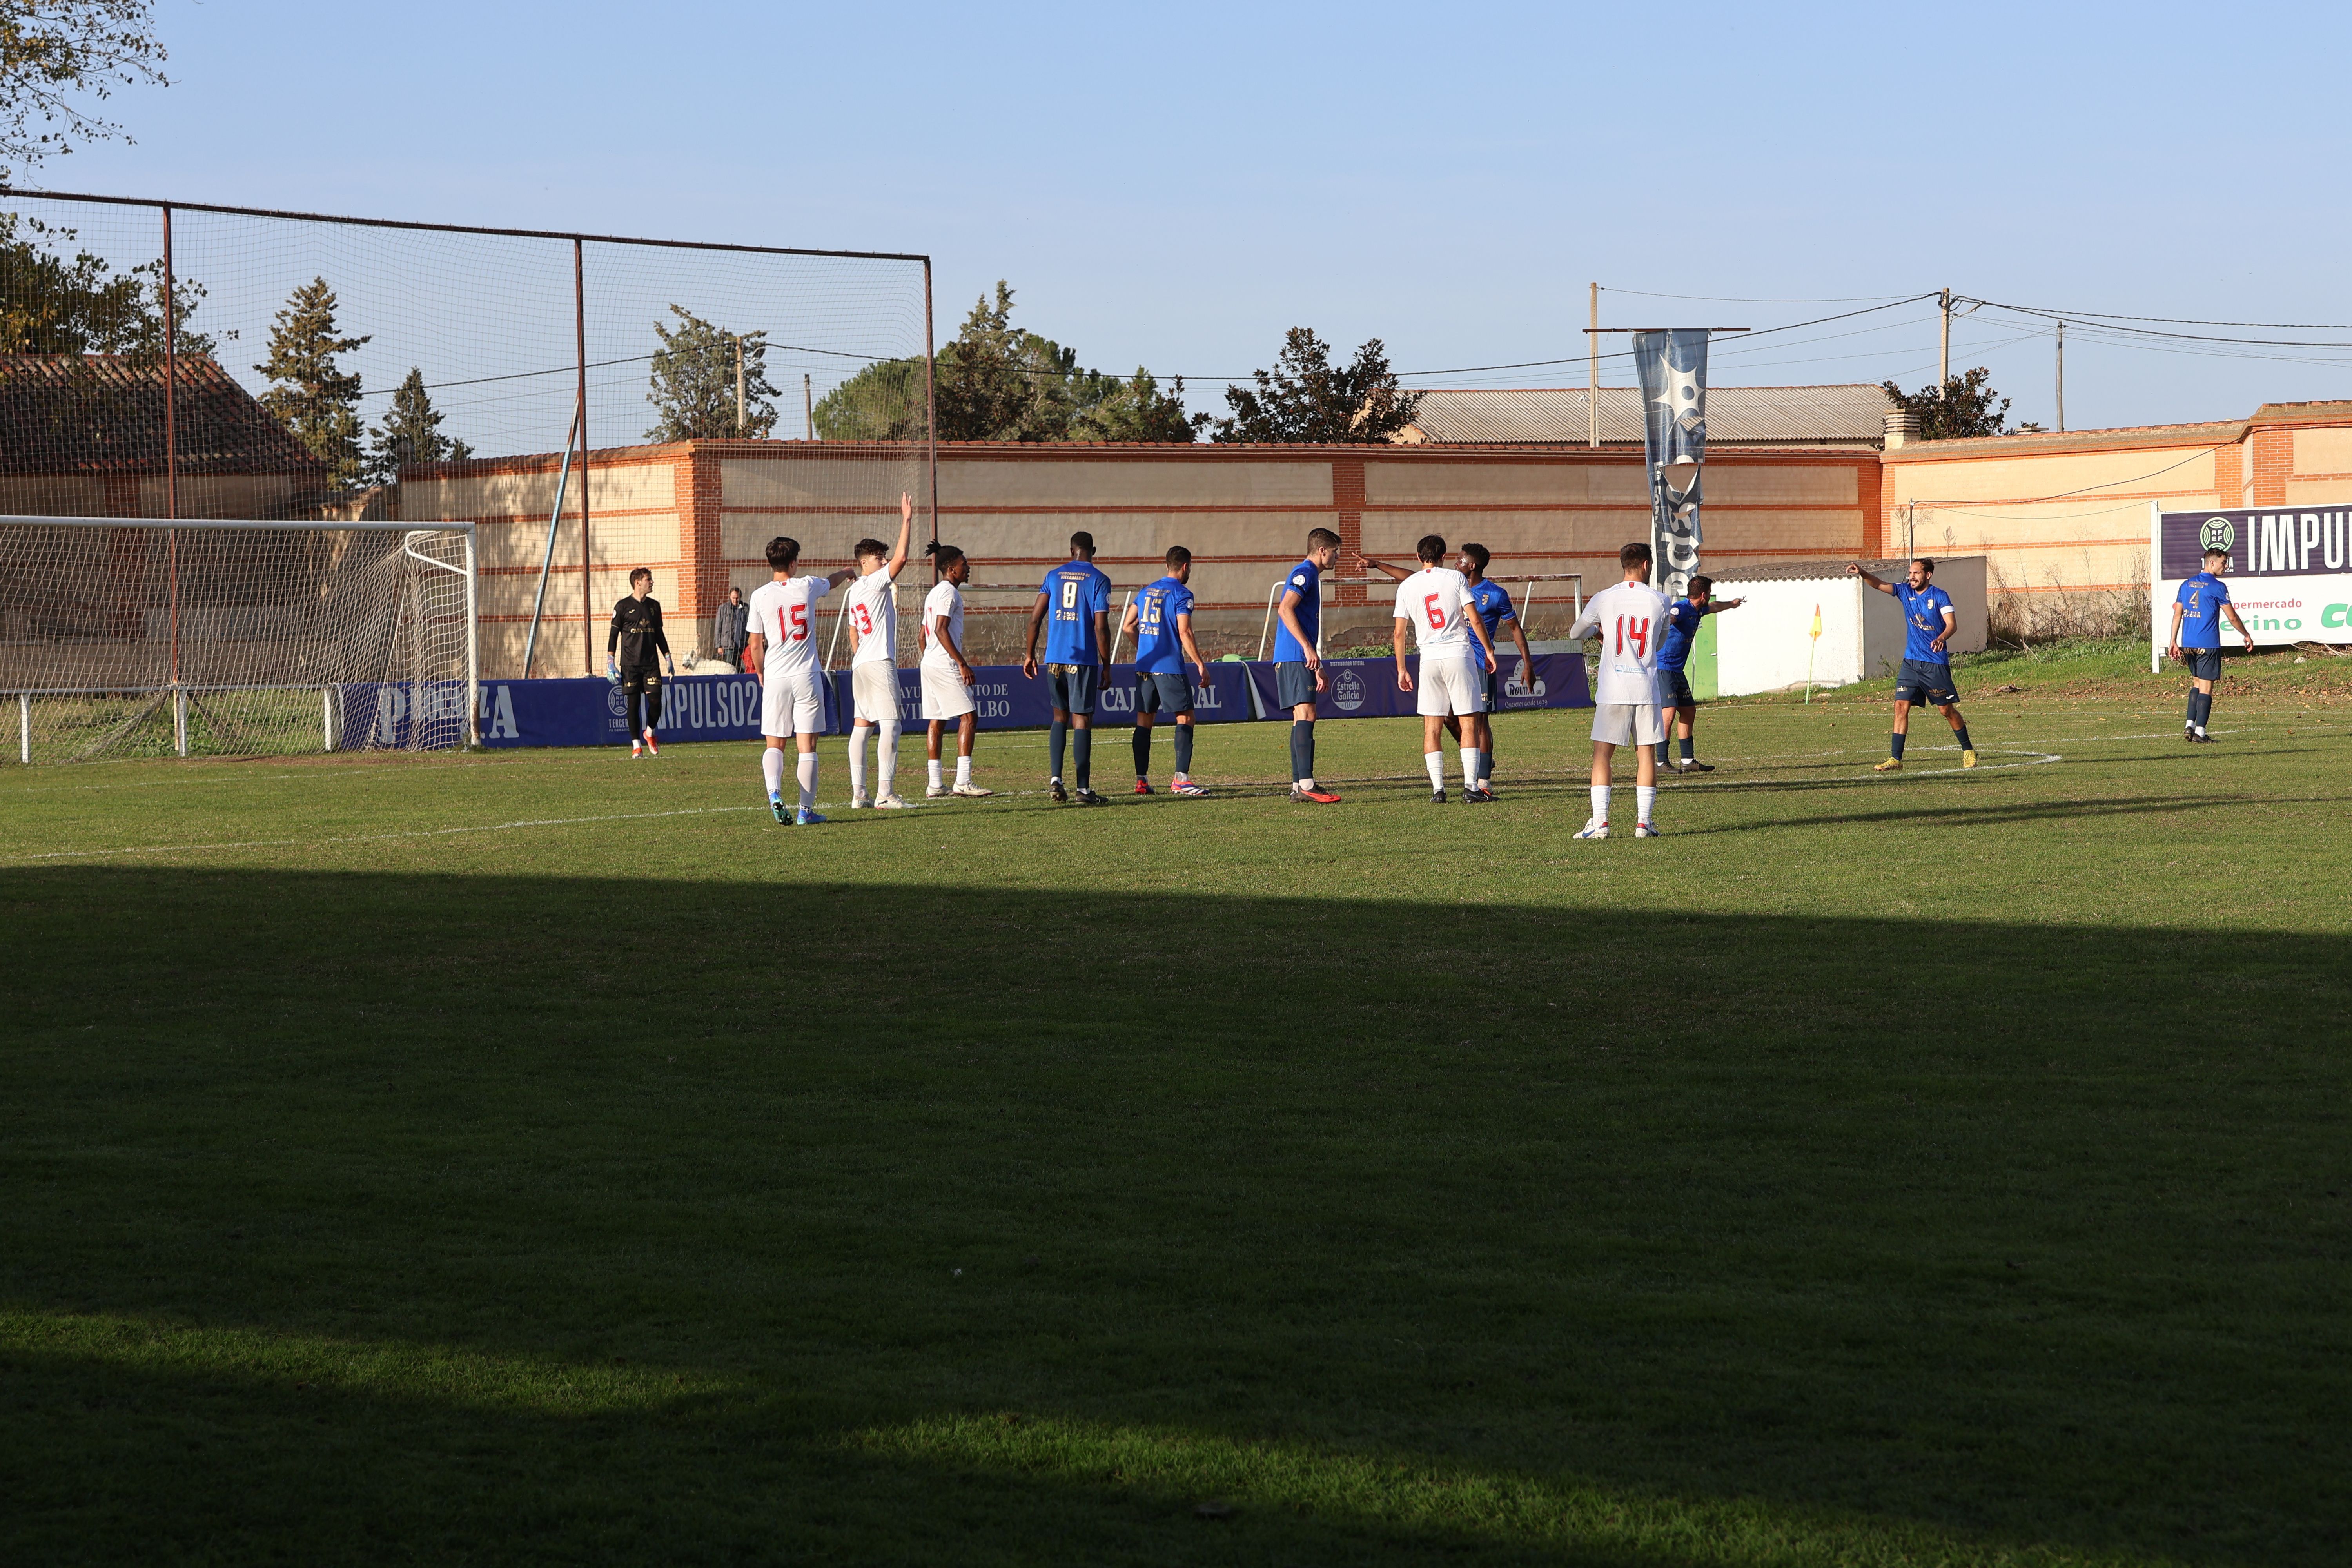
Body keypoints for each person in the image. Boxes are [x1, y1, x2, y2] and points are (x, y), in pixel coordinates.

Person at [1362, 540, 1528, 799]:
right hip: (1458, 655)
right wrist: (1489, 651)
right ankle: (1471, 787)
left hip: (1428, 658)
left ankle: (1438, 789)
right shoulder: (1455, 578)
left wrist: (1401, 669)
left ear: (1418, 556)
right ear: (1444, 556)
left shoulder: (1408, 585)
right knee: (1470, 722)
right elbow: (1474, 617)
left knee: (1432, 727)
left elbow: (1398, 633)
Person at [743, 535, 856, 825]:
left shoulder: (759, 596)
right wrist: (845, 573)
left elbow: (756, 644)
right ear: (793, 563)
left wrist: (760, 672)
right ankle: (806, 811)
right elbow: (830, 582)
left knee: (775, 744)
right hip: (807, 675)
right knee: (807, 746)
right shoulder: (806, 585)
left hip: (777, 676)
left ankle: (774, 794)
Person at [1566, 542, 1670, 838]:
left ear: (1624, 565)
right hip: (1646, 688)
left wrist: (1601, 632)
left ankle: (1601, 822)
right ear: (1647, 566)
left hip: (1613, 688)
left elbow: (1577, 632)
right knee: (1646, 755)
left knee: (1602, 756)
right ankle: (1643, 823)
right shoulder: (1660, 600)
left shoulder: (1605, 597)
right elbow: (1658, 644)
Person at [1848, 558, 1976, 771]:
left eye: (1917, 573)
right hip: (1911, 662)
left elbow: (1952, 625)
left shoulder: (1939, 596)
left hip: (1934, 663)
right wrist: (1862, 573)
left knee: (1946, 710)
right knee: (1900, 707)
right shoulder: (1904, 592)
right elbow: (1879, 584)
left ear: (1928, 575)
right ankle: (1895, 759)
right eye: (1910, 573)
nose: (1912, 577)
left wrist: (1942, 638)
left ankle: (1968, 751)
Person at [1021, 530, 1112, 806]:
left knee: (1059, 717)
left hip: (1055, 658)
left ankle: (1055, 781)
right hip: (1082, 660)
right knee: (1082, 720)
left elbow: (1035, 620)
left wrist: (1029, 654)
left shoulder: (1053, 576)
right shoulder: (1099, 580)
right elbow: (1101, 626)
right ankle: (1083, 790)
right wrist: (1106, 663)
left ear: (1071, 550)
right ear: (1093, 551)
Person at [1121, 546, 1212, 797]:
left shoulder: (1145, 591)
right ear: (1185, 567)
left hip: (1145, 667)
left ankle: (1141, 781)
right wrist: (1200, 664)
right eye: (1190, 568)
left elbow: (1128, 626)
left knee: (1144, 721)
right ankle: (1181, 780)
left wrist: (1146, 649)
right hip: (1169, 667)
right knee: (1186, 718)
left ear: (1166, 566)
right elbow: (1185, 632)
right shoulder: (1182, 594)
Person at [845, 494, 915, 809]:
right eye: (878, 557)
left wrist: (861, 653)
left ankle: (860, 794)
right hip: (878, 663)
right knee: (892, 725)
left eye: (883, 557)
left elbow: (853, 631)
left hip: (861, 664)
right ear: (865, 563)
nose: (884, 562)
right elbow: (902, 560)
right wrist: (907, 520)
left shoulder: (853, 589)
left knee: (863, 727)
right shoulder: (873, 584)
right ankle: (885, 794)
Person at [1272, 527, 1344, 804]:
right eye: (1335, 551)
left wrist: (1317, 665)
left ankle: (1297, 785)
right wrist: (1306, 648)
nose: (1337, 557)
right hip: (1293, 655)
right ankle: (1306, 784)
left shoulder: (1311, 575)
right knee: (1307, 713)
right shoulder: (1306, 573)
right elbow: (1285, 608)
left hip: (1295, 656)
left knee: (1301, 716)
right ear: (1323, 551)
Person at [919, 542, 993, 799]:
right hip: (944, 664)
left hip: (929, 662)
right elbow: (940, 629)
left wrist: (930, 658)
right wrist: (961, 663)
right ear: (952, 569)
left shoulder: (934, 593)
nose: (968, 568)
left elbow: (922, 636)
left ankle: (935, 785)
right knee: (969, 718)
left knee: (937, 721)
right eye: (964, 565)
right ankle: (963, 781)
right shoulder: (950, 593)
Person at [1651, 574, 1745, 774]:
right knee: (1668, 713)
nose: (1710, 597)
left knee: (1688, 711)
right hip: (1664, 667)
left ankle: (1687, 760)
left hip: (1677, 669)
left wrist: (1732, 604)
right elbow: (1671, 616)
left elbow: (1715, 607)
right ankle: (1660, 763)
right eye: (1710, 593)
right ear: (1703, 595)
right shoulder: (1682, 608)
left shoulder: (1699, 609)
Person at [2169, 545, 2252, 744]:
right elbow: (2232, 617)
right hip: (2208, 643)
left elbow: (2178, 614)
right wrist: (2246, 634)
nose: (2226, 567)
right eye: (2224, 563)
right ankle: (2201, 733)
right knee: (2206, 688)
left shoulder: (2187, 585)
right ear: (2212, 563)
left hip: (2188, 643)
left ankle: (2190, 726)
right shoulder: (2218, 587)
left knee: (2197, 684)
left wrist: (2173, 641)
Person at [606, 567, 673, 759]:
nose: (651, 582)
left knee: (656, 700)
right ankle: (637, 746)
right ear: (638, 583)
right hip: (630, 664)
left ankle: (650, 733)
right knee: (633, 704)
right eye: (648, 580)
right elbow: (614, 635)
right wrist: (610, 661)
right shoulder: (622, 607)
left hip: (651, 663)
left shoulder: (654, 606)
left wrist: (667, 657)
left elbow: (659, 634)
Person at [712, 585, 748, 671]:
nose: (735, 600)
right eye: (733, 598)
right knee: (730, 668)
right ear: (730, 597)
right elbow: (718, 627)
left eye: (737, 598)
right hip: (728, 645)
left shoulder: (746, 608)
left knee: (741, 668)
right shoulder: (723, 609)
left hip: (742, 645)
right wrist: (719, 646)